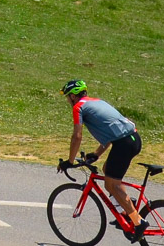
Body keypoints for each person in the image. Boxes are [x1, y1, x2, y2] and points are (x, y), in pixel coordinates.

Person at [59, 79, 146, 237]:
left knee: (111, 185)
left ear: (73, 96)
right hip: (133, 139)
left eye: (67, 97)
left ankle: (138, 221)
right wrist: (97, 154)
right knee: (108, 171)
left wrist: (69, 162)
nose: (67, 101)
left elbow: (77, 137)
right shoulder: (97, 102)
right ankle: (124, 210)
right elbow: (111, 132)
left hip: (123, 144)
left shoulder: (79, 107)